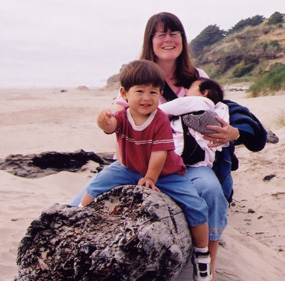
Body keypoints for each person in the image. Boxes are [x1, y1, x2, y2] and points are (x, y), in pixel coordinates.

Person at [71, 12, 267, 281]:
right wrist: (107, 119)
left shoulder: (197, 77)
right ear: (150, 40)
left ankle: (206, 265)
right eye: (160, 34)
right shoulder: (138, 77)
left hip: (186, 165)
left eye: (174, 33)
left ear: (183, 40)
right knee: (84, 195)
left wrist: (234, 133)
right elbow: (118, 112)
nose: (168, 39)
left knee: (210, 192)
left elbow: (221, 110)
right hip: (140, 160)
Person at [78, 59, 213, 281]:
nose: (146, 97)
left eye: (153, 92)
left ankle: (202, 254)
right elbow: (112, 127)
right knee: (96, 184)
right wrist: (104, 123)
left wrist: (151, 177)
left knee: (196, 206)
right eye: (139, 91)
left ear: (160, 95)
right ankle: (79, 215)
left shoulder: (159, 118)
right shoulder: (122, 116)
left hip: (166, 173)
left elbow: (159, 154)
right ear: (124, 93)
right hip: (129, 169)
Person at [159, 77, 229, 168]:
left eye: (190, 88)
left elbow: (166, 109)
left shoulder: (196, 101)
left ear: (204, 92)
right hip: (203, 159)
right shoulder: (220, 109)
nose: (185, 91)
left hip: (180, 151)